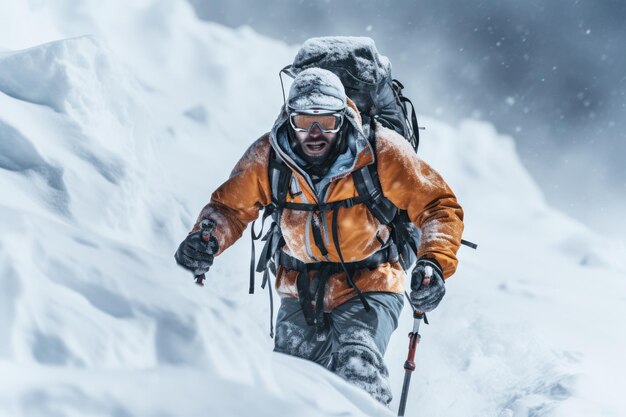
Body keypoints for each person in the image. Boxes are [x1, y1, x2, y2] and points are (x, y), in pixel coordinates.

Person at [175, 67, 464, 406]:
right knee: (290, 383)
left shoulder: (382, 151)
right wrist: (207, 238)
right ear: (289, 117)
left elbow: (437, 205)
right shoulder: (269, 156)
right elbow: (230, 209)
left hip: (373, 281)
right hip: (300, 287)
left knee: (358, 366)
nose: (314, 133)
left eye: (325, 122)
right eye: (303, 121)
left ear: (342, 118)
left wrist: (433, 261)